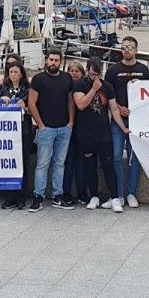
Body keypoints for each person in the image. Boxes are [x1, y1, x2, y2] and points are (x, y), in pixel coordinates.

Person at [105, 36, 149, 209]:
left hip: (137, 122)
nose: (127, 50)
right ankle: (119, 194)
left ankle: (132, 193)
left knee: (135, 158)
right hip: (118, 121)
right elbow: (107, 93)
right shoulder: (113, 70)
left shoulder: (144, 70)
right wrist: (117, 107)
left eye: (130, 47)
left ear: (136, 49)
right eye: (124, 47)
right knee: (116, 157)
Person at [73, 57, 122, 212]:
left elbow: (114, 109)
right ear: (87, 70)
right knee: (89, 165)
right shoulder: (80, 84)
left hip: (103, 132)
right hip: (85, 132)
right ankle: (93, 195)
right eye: (93, 74)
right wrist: (93, 89)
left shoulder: (107, 86)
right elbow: (80, 105)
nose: (96, 78)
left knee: (108, 165)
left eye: (98, 75)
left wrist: (123, 127)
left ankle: (114, 197)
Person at [28, 49, 75, 211]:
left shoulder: (67, 78)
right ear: (46, 60)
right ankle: (38, 196)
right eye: (51, 60)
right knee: (42, 164)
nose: (53, 63)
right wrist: (40, 124)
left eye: (56, 60)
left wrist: (71, 122)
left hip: (64, 128)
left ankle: (57, 195)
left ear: (60, 62)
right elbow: (31, 103)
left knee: (59, 163)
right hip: (46, 128)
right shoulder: (38, 79)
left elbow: (70, 101)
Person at [0, 57, 33, 210]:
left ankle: (21, 196)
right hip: (7, 131)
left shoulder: (28, 89)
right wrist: (0, 98)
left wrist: (25, 107)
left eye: (16, 72)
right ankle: (9, 196)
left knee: (23, 164)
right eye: (10, 72)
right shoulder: (3, 87)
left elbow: (34, 109)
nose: (13, 75)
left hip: (24, 129)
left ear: (21, 74)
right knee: (8, 163)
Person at [64, 60, 87, 204]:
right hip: (66, 128)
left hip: (82, 128)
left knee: (81, 163)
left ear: (82, 73)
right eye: (71, 70)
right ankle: (66, 192)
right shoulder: (64, 86)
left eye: (77, 71)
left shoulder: (85, 87)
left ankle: (82, 193)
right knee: (68, 162)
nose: (74, 73)